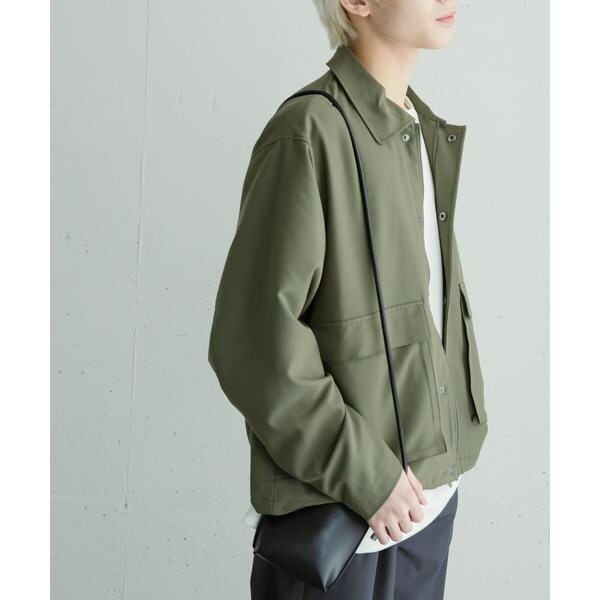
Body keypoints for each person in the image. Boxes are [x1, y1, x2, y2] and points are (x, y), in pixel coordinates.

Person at [208, 1, 489, 598]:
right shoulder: (309, 131)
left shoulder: (420, 133)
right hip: (342, 523)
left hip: (427, 504)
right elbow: (254, 345)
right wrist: (368, 475)